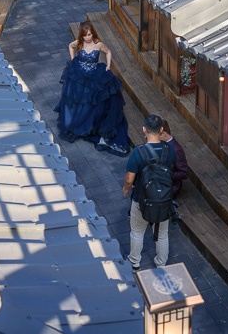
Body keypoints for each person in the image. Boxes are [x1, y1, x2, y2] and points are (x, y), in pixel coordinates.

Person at [54, 21, 131, 156]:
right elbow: (70, 46)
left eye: (89, 35)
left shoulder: (98, 44)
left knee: (95, 101)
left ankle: (91, 125)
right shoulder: (79, 42)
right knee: (79, 100)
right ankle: (79, 123)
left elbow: (108, 52)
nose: (87, 38)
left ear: (92, 33)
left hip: (95, 74)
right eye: (85, 35)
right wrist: (73, 61)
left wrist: (108, 65)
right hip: (81, 74)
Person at [123, 114, 177, 270]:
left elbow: (129, 178)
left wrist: (126, 189)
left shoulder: (138, 152)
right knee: (161, 234)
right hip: (164, 199)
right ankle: (161, 263)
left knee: (137, 231)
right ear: (161, 130)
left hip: (142, 199)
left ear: (144, 130)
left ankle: (135, 261)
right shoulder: (169, 150)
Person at [159, 122, 189, 199]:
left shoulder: (176, 150)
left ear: (164, 134)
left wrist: (165, 175)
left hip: (169, 186)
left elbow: (183, 173)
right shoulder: (162, 144)